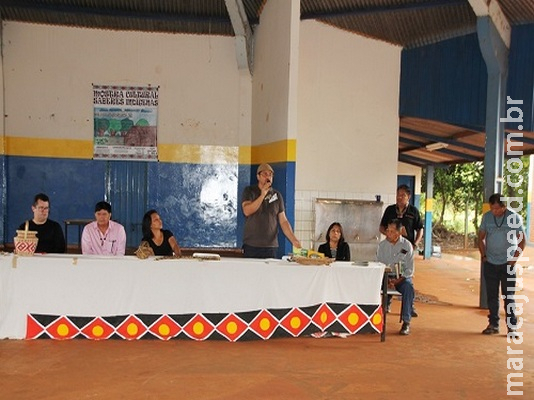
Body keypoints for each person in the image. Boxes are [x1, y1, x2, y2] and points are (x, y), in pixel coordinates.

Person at [478, 193, 525, 336]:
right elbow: (480, 238)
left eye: (498, 209)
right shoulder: (487, 217)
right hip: (490, 263)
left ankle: (512, 327)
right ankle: (493, 324)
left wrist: (513, 260)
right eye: (492, 209)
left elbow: (522, 241)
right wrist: (484, 256)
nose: (495, 212)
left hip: (507, 264)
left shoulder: (513, 218)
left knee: (508, 296)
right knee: (492, 296)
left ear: (504, 207)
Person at [379, 184, 423, 317]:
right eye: (398, 194)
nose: (399, 197)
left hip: (405, 248)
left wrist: (415, 243)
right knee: (387, 271)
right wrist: (389, 235)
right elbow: (381, 227)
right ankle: (385, 303)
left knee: (406, 278)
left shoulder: (413, 211)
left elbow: (420, 228)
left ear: (409, 197)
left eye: (403, 195)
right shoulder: (390, 210)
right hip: (391, 249)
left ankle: (408, 310)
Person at [241, 163, 301, 258]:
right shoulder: (249, 191)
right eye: (265, 174)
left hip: (270, 247)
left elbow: (283, 221)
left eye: (270, 174)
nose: (268, 177)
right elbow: (247, 211)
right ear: (258, 176)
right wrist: (262, 195)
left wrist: (293, 239)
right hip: (252, 246)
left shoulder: (277, 195)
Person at [376, 219, 415, 335]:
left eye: (392, 231)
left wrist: (398, 280)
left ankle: (406, 322)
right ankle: (375, 319)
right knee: (371, 285)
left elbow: (410, 269)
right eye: (388, 230)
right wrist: (387, 279)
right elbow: (379, 264)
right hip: (385, 276)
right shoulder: (382, 246)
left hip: (401, 278)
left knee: (408, 288)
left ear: (399, 232)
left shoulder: (407, 246)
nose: (388, 233)